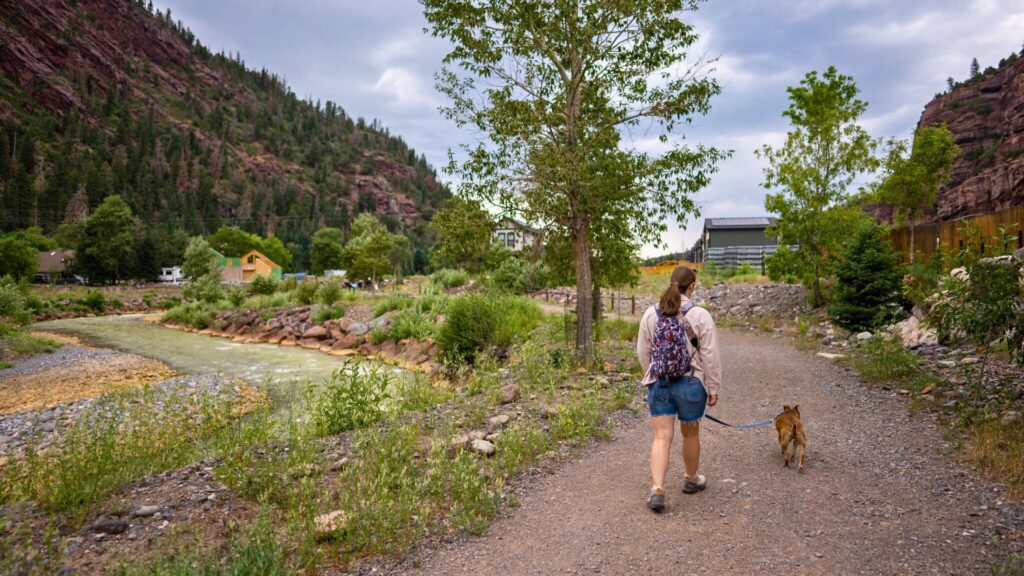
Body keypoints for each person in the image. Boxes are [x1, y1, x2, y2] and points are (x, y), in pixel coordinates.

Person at [636, 265, 721, 512]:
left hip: (660, 384)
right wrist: (713, 386)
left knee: (662, 436)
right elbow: (710, 355)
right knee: (691, 433)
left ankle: (657, 490)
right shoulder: (701, 315)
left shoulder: (650, 314)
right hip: (691, 384)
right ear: (691, 286)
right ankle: (691, 479)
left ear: (671, 282)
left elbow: (643, 352)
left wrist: (652, 373)